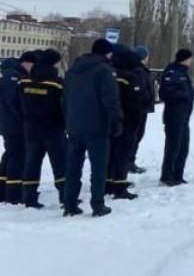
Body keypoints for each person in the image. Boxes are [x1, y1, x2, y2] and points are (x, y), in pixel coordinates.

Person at [63, 39, 122, 218]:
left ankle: (69, 204)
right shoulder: (104, 71)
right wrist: (117, 120)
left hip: (74, 125)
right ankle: (98, 205)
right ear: (106, 53)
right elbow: (110, 100)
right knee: (98, 168)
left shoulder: (72, 70)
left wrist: (68, 119)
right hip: (97, 127)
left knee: (73, 166)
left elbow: (64, 99)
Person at [20, 48, 67, 209]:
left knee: (32, 162)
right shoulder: (57, 83)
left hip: (31, 128)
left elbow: (20, 103)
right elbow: (63, 107)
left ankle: (29, 197)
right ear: (55, 62)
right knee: (60, 163)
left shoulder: (25, 81)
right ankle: (65, 196)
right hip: (53, 129)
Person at [106, 47, 145, 200]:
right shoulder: (131, 76)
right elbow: (137, 100)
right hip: (127, 120)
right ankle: (119, 185)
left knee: (110, 154)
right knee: (122, 154)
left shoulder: (108, 73)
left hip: (111, 120)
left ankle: (108, 182)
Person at [0, 53, 33, 205]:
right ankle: (13, 193)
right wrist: (24, 116)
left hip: (8, 124)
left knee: (10, 155)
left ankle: (4, 189)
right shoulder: (12, 77)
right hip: (14, 125)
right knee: (16, 157)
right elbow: (13, 101)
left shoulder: (9, 76)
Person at [159, 48, 194, 186]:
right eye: (190, 58)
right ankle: (168, 175)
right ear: (184, 59)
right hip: (174, 115)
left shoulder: (183, 73)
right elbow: (165, 93)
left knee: (183, 146)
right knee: (173, 146)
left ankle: (178, 174)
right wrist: (182, 96)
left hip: (184, 116)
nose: (192, 61)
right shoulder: (172, 72)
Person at [127, 46, 155, 174]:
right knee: (136, 135)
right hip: (139, 109)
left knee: (136, 135)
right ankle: (129, 161)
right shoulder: (139, 71)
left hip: (140, 108)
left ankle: (129, 160)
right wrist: (147, 98)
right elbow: (140, 90)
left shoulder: (139, 70)